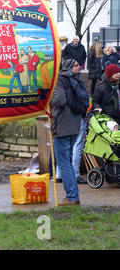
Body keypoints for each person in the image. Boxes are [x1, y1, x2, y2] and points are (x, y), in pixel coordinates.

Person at [50, 59, 87, 206]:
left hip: (62, 125)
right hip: (74, 124)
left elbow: (59, 100)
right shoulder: (76, 80)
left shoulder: (60, 79)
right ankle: (73, 195)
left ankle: (71, 196)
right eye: (77, 65)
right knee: (69, 161)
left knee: (63, 162)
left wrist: (48, 101)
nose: (78, 67)